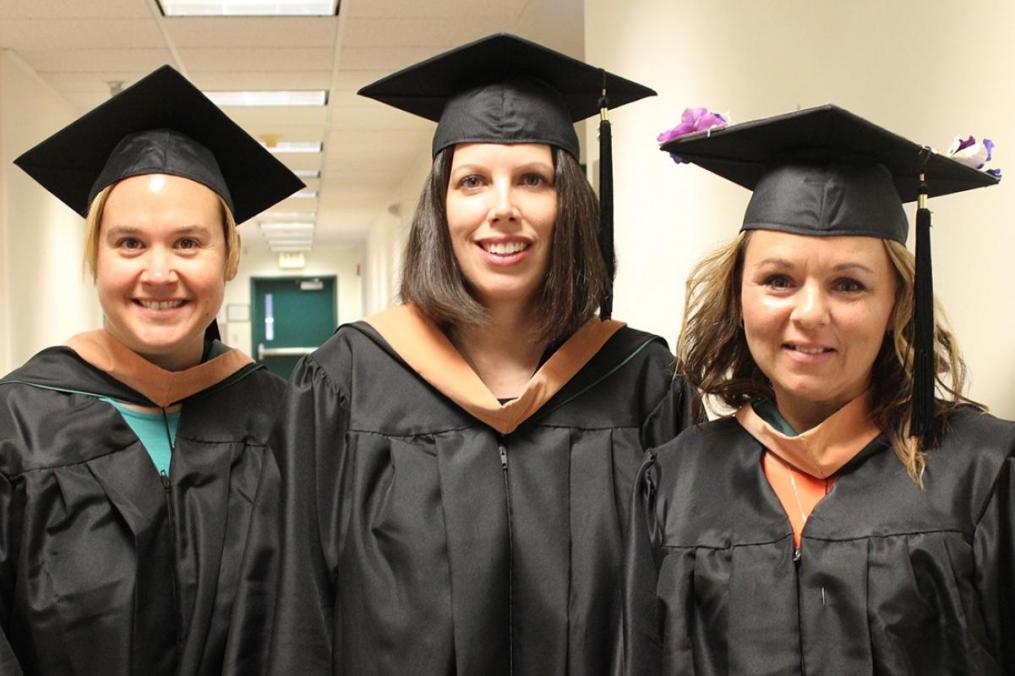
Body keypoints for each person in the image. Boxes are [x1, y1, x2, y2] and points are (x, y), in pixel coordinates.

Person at [227, 34, 701, 675]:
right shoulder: (347, 382)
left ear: (570, 203)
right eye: (472, 181)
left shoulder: (642, 384)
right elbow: (297, 612)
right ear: (439, 207)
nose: (501, 209)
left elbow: (678, 621)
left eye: (533, 180)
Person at [622, 105, 1013, 675]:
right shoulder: (674, 483)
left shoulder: (982, 475)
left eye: (848, 285)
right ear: (739, 295)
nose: (810, 313)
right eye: (778, 280)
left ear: (897, 305)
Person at [0, 66, 303, 675]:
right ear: (96, 257)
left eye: (188, 243)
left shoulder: (287, 421)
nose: (159, 272)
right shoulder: (18, 424)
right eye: (129, 243)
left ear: (229, 257)